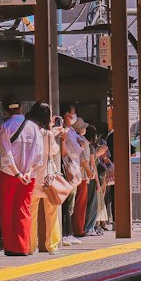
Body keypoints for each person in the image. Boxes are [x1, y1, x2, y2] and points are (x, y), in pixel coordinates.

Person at [0, 101, 45, 256]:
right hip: (28, 176)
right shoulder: (33, 128)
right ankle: (23, 246)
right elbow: (39, 154)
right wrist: (28, 171)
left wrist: (16, 172)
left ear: (5, 110)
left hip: (8, 174)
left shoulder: (4, 126)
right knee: (23, 209)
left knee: (7, 210)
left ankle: (10, 246)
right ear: (22, 108)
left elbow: (5, 152)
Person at [31, 108, 63, 255]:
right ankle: (52, 245)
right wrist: (53, 133)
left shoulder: (31, 132)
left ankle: (31, 246)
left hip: (33, 178)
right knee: (51, 213)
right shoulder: (48, 134)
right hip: (47, 178)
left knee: (31, 215)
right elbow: (54, 150)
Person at [59, 103, 83, 245]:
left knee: (70, 204)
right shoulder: (65, 131)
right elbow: (76, 149)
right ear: (67, 115)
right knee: (67, 203)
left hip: (72, 169)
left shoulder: (71, 131)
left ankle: (69, 233)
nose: (74, 116)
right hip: (68, 170)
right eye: (73, 113)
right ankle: (65, 233)